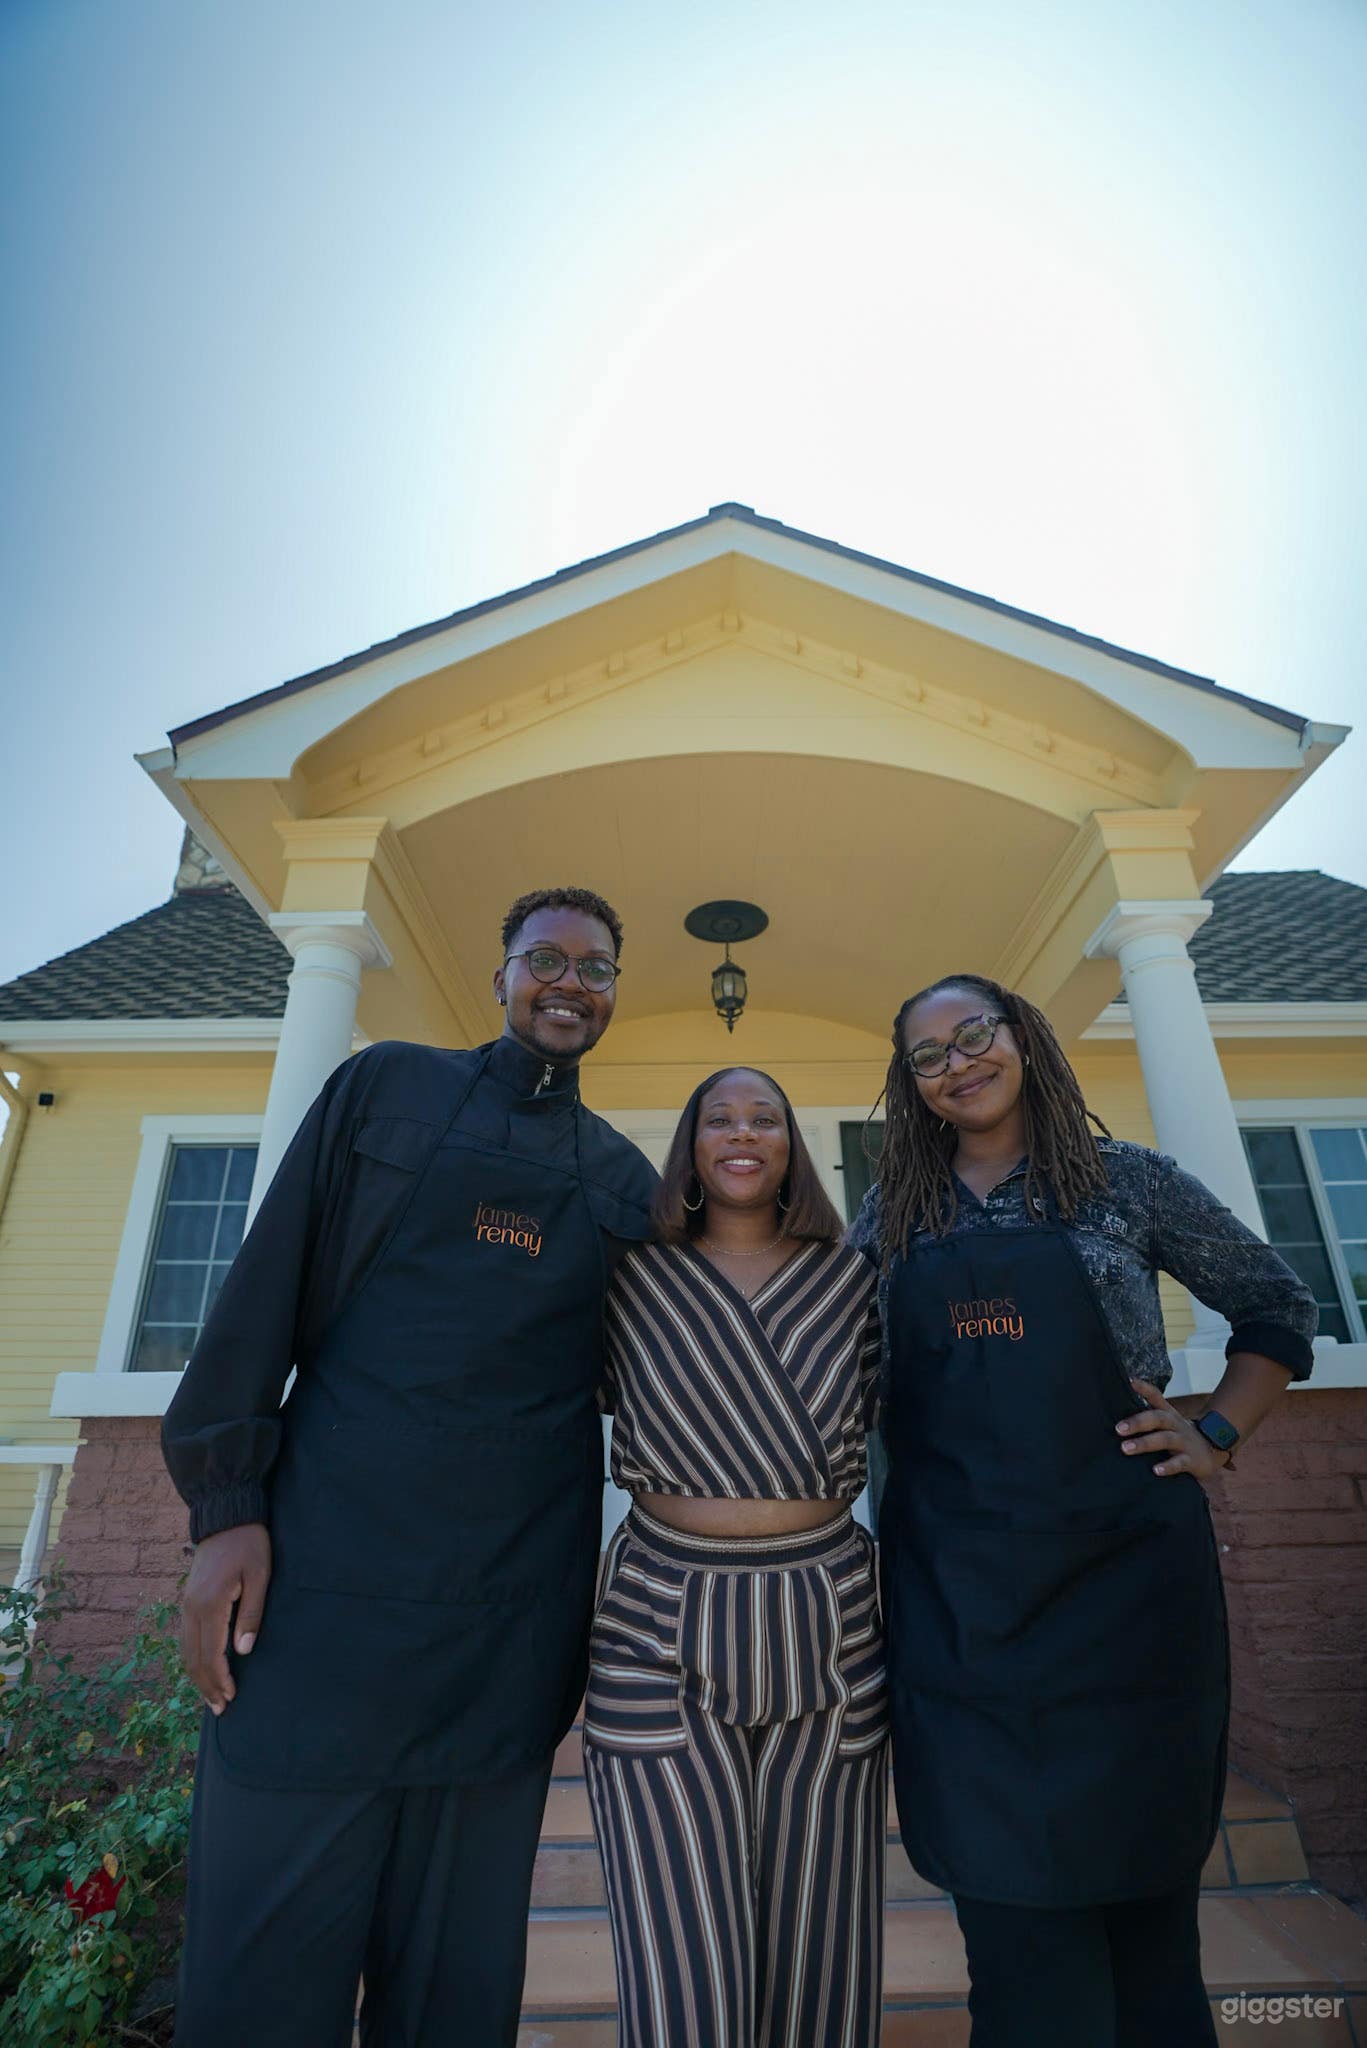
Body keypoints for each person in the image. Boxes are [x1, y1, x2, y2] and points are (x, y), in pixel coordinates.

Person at [161, 886, 658, 2048]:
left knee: (453, 1994)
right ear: (502, 975)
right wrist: (226, 1507)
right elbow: (265, 1283)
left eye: (594, 968)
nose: (568, 982)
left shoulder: (621, 1179)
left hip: (504, 1630)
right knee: (256, 1980)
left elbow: (675, 1376)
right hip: (317, 1605)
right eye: (544, 958)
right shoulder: (385, 1090)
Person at [848, 972, 1317, 2048]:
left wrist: (1212, 1433)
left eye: (975, 1032)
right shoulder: (892, 1215)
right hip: (958, 1600)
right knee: (1012, 1932)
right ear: (911, 1086)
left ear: (1023, 1037)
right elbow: (834, 1369)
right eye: (927, 1055)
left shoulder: (1125, 1181)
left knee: (1148, 1921)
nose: (957, 1062)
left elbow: (1274, 1306)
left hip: (1126, 1593)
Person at [585, 1066, 887, 2048]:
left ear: (792, 1146)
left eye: (765, 1118)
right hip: (658, 1614)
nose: (743, 1133)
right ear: (691, 1146)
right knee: (682, 1956)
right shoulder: (627, 1275)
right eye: (720, 1119)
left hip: (827, 1613)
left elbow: (909, 1414)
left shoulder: (851, 1277)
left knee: (823, 1937)